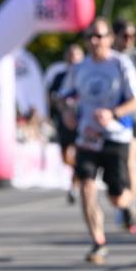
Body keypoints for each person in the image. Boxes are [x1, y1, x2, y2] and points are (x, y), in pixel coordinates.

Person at [59, 18, 136, 263]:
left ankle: (128, 206)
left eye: (99, 36)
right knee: (86, 186)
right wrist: (67, 113)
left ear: (109, 39)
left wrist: (113, 114)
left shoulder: (121, 64)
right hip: (87, 136)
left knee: (117, 197)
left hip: (116, 135)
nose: (94, 41)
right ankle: (98, 241)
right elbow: (63, 97)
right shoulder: (80, 68)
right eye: (90, 37)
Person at [112, 18, 136, 231]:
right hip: (111, 121)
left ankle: (130, 206)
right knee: (119, 165)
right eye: (125, 36)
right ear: (114, 37)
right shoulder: (107, 59)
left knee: (131, 160)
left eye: (133, 36)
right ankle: (124, 199)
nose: (130, 40)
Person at [46, 43, 83, 204]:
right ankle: (77, 172)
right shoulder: (60, 77)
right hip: (63, 121)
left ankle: (74, 185)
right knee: (65, 156)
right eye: (70, 55)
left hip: (82, 121)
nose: (73, 59)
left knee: (79, 153)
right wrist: (60, 106)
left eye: (76, 56)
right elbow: (52, 97)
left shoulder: (86, 74)